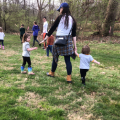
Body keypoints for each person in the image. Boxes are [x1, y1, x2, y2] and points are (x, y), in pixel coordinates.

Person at [40, 2, 77, 83]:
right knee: (67, 60)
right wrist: (75, 46)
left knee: (55, 58)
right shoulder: (73, 19)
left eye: (60, 9)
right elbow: (74, 35)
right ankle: (69, 78)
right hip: (68, 41)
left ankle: (52, 73)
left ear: (62, 9)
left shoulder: (59, 17)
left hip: (58, 40)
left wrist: (45, 38)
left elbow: (52, 29)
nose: (59, 10)